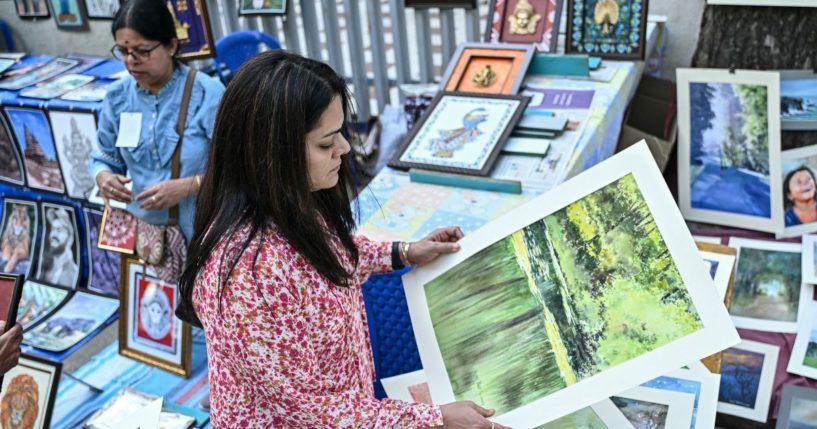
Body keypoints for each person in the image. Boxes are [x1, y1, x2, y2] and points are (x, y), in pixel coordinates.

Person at [176, 51, 510, 428]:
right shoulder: (245, 277)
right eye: (325, 143)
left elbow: (334, 253)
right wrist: (435, 419)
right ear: (272, 154)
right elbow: (313, 411)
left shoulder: (293, 207)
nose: (345, 149)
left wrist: (402, 252)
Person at [89, 0, 225, 244]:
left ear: (171, 45)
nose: (131, 61)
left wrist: (189, 186)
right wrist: (103, 177)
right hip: (145, 238)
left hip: (203, 234)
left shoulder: (207, 93)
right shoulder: (117, 97)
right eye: (122, 51)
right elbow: (102, 157)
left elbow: (241, 169)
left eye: (142, 51)